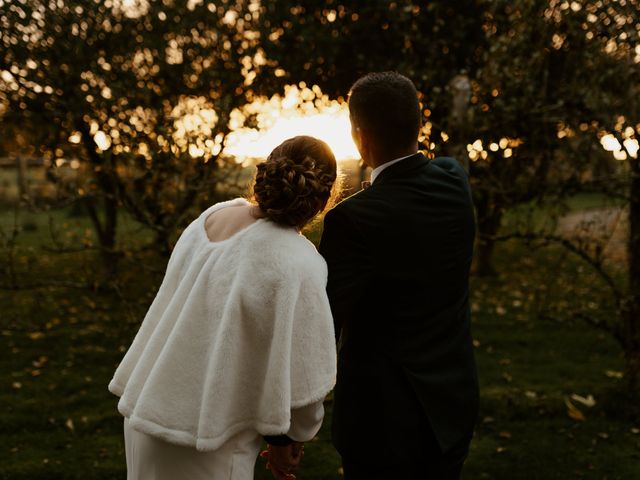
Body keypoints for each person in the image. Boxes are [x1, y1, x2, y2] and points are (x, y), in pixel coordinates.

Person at [108, 135, 338, 480]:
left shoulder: (210, 218)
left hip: (145, 418)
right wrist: (289, 438)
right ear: (323, 201)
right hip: (207, 443)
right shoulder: (298, 261)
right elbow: (302, 373)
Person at [319, 72, 479, 479]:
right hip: (452, 408)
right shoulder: (454, 181)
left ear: (359, 136)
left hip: (382, 428)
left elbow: (322, 326)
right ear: (418, 125)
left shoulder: (352, 219)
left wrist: (288, 424)